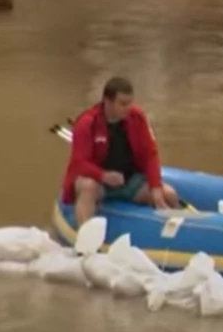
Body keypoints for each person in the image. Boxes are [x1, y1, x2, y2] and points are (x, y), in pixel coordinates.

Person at [61, 76, 179, 227]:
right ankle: (84, 235)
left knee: (169, 195)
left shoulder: (137, 117)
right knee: (88, 186)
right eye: (122, 104)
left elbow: (150, 154)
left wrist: (155, 187)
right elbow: (79, 162)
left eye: (130, 103)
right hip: (99, 183)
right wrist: (103, 175)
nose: (128, 108)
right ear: (108, 102)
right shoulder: (87, 122)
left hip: (129, 181)